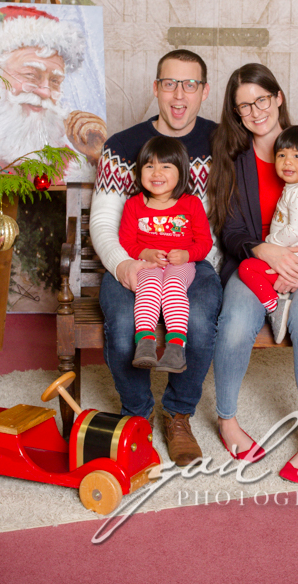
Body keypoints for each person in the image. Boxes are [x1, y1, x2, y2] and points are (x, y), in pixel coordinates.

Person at [208, 63, 298, 480]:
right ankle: (228, 422)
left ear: (278, 98)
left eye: (262, 100)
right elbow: (231, 230)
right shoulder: (234, 158)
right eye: (244, 106)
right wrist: (267, 251)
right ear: (236, 113)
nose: (256, 112)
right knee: (235, 322)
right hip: (257, 266)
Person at [89, 49, 223, 466]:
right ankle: (137, 415)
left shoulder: (223, 144)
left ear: (204, 91)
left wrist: (198, 261)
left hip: (193, 261)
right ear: (156, 88)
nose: (179, 95)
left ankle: (178, 414)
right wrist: (124, 264)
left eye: (190, 84)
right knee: (124, 326)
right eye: (170, 83)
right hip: (133, 260)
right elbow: (104, 222)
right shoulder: (121, 147)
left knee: (198, 321)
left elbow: (225, 221)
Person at [0, 4, 107, 182]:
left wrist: (95, 157)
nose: (45, 92)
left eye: (55, 81)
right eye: (31, 75)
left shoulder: (67, 164)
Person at [119, 136, 213, 373]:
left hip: (180, 264)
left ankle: (175, 348)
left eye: (166, 166)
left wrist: (186, 255)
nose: (156, 173)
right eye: (149, 166)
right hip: (147, 264)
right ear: (140, 171)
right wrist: (145, 253)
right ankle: (145, 344)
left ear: (181, 172)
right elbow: (127, 241)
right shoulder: (134, 205)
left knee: (173, 286)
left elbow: (204, 243)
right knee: (148, 286)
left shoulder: (191, 204)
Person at [238, 125, 298, 344]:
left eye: (297, 156)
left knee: (246, 268)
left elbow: (296, 230)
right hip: (296, 264)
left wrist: (269, 242)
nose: (287, 162)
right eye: (282, 155)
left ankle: (275, 306)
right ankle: (279, 296)